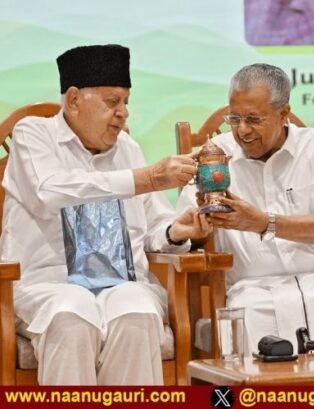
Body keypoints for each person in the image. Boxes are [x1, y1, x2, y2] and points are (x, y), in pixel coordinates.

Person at [0, 45, 211, 385]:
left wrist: (175, 232)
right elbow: (48, 192)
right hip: (50, 283)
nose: (123, 113)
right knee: (71, 314)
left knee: (137, 310)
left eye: (126, 102)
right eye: (112, 102)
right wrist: (145, 178)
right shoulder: (33, 135)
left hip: (121, 283)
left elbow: (155, 224)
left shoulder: (128, 148)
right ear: (73, 100)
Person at [176, 63, 314, 355]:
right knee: (251, 314)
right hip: (253, 290)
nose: (242, 130)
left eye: (253, 119)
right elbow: (184, 229)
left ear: (283, 113)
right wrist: (195, 232)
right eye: (234, 118)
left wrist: (263, 223)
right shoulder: (213, 156)